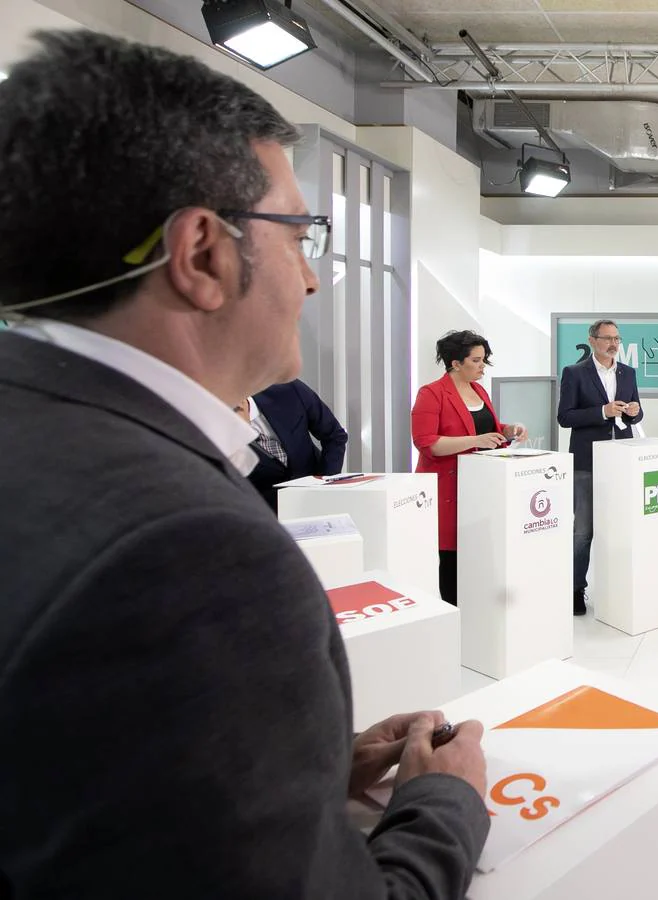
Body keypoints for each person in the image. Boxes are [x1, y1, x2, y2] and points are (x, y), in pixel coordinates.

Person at [0, 30, 488, 897]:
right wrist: (443, 802)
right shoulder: (191, 553)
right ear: (202, 255)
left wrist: (286, 772)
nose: (313, 279)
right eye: (301, 235)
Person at [412, 330, 526, 606]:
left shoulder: (479, 391)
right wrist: (475, 441)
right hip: (447, 490)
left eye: (484, 360)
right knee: (450, 563)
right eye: (476, 361)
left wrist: (508, 430)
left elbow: (487, 430)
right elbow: (427, 443)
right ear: (455, 363)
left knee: (479, 559)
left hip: (480, 488)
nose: (482, 366)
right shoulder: (431, 394)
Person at [557, 318, 643, 615]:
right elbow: (565, 417)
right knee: (582, 531)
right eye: (607, 338)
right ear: (592, 340)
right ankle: (574, 590)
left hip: (621, 461)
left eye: (617, 339)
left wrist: (633, 411)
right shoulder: (574, 373)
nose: (613, 344)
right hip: (587, 462)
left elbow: (635, 413)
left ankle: (616, 587)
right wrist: (601, 412)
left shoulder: (628, 372)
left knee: (619, 527)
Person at [240, 378, 349, 512]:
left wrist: (325, 484)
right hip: (267, 513)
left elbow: (334, 436)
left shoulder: (288, 390)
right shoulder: (217, 433)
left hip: (318, 494)